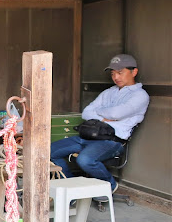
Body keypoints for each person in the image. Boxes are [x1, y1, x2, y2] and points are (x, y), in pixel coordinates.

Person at [50, 54, 149, 192]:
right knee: (49, 152)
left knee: (85, 160)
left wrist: (100, 112)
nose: (116, 77)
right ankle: (70, 188)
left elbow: (116, 114)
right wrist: (104, 118)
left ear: (134, 72)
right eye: (113, 73)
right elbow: (86, 112)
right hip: (89, 136)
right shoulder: (109, 92)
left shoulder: (140, 95)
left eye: (120, 73)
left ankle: (110, 185)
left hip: (112, 141)